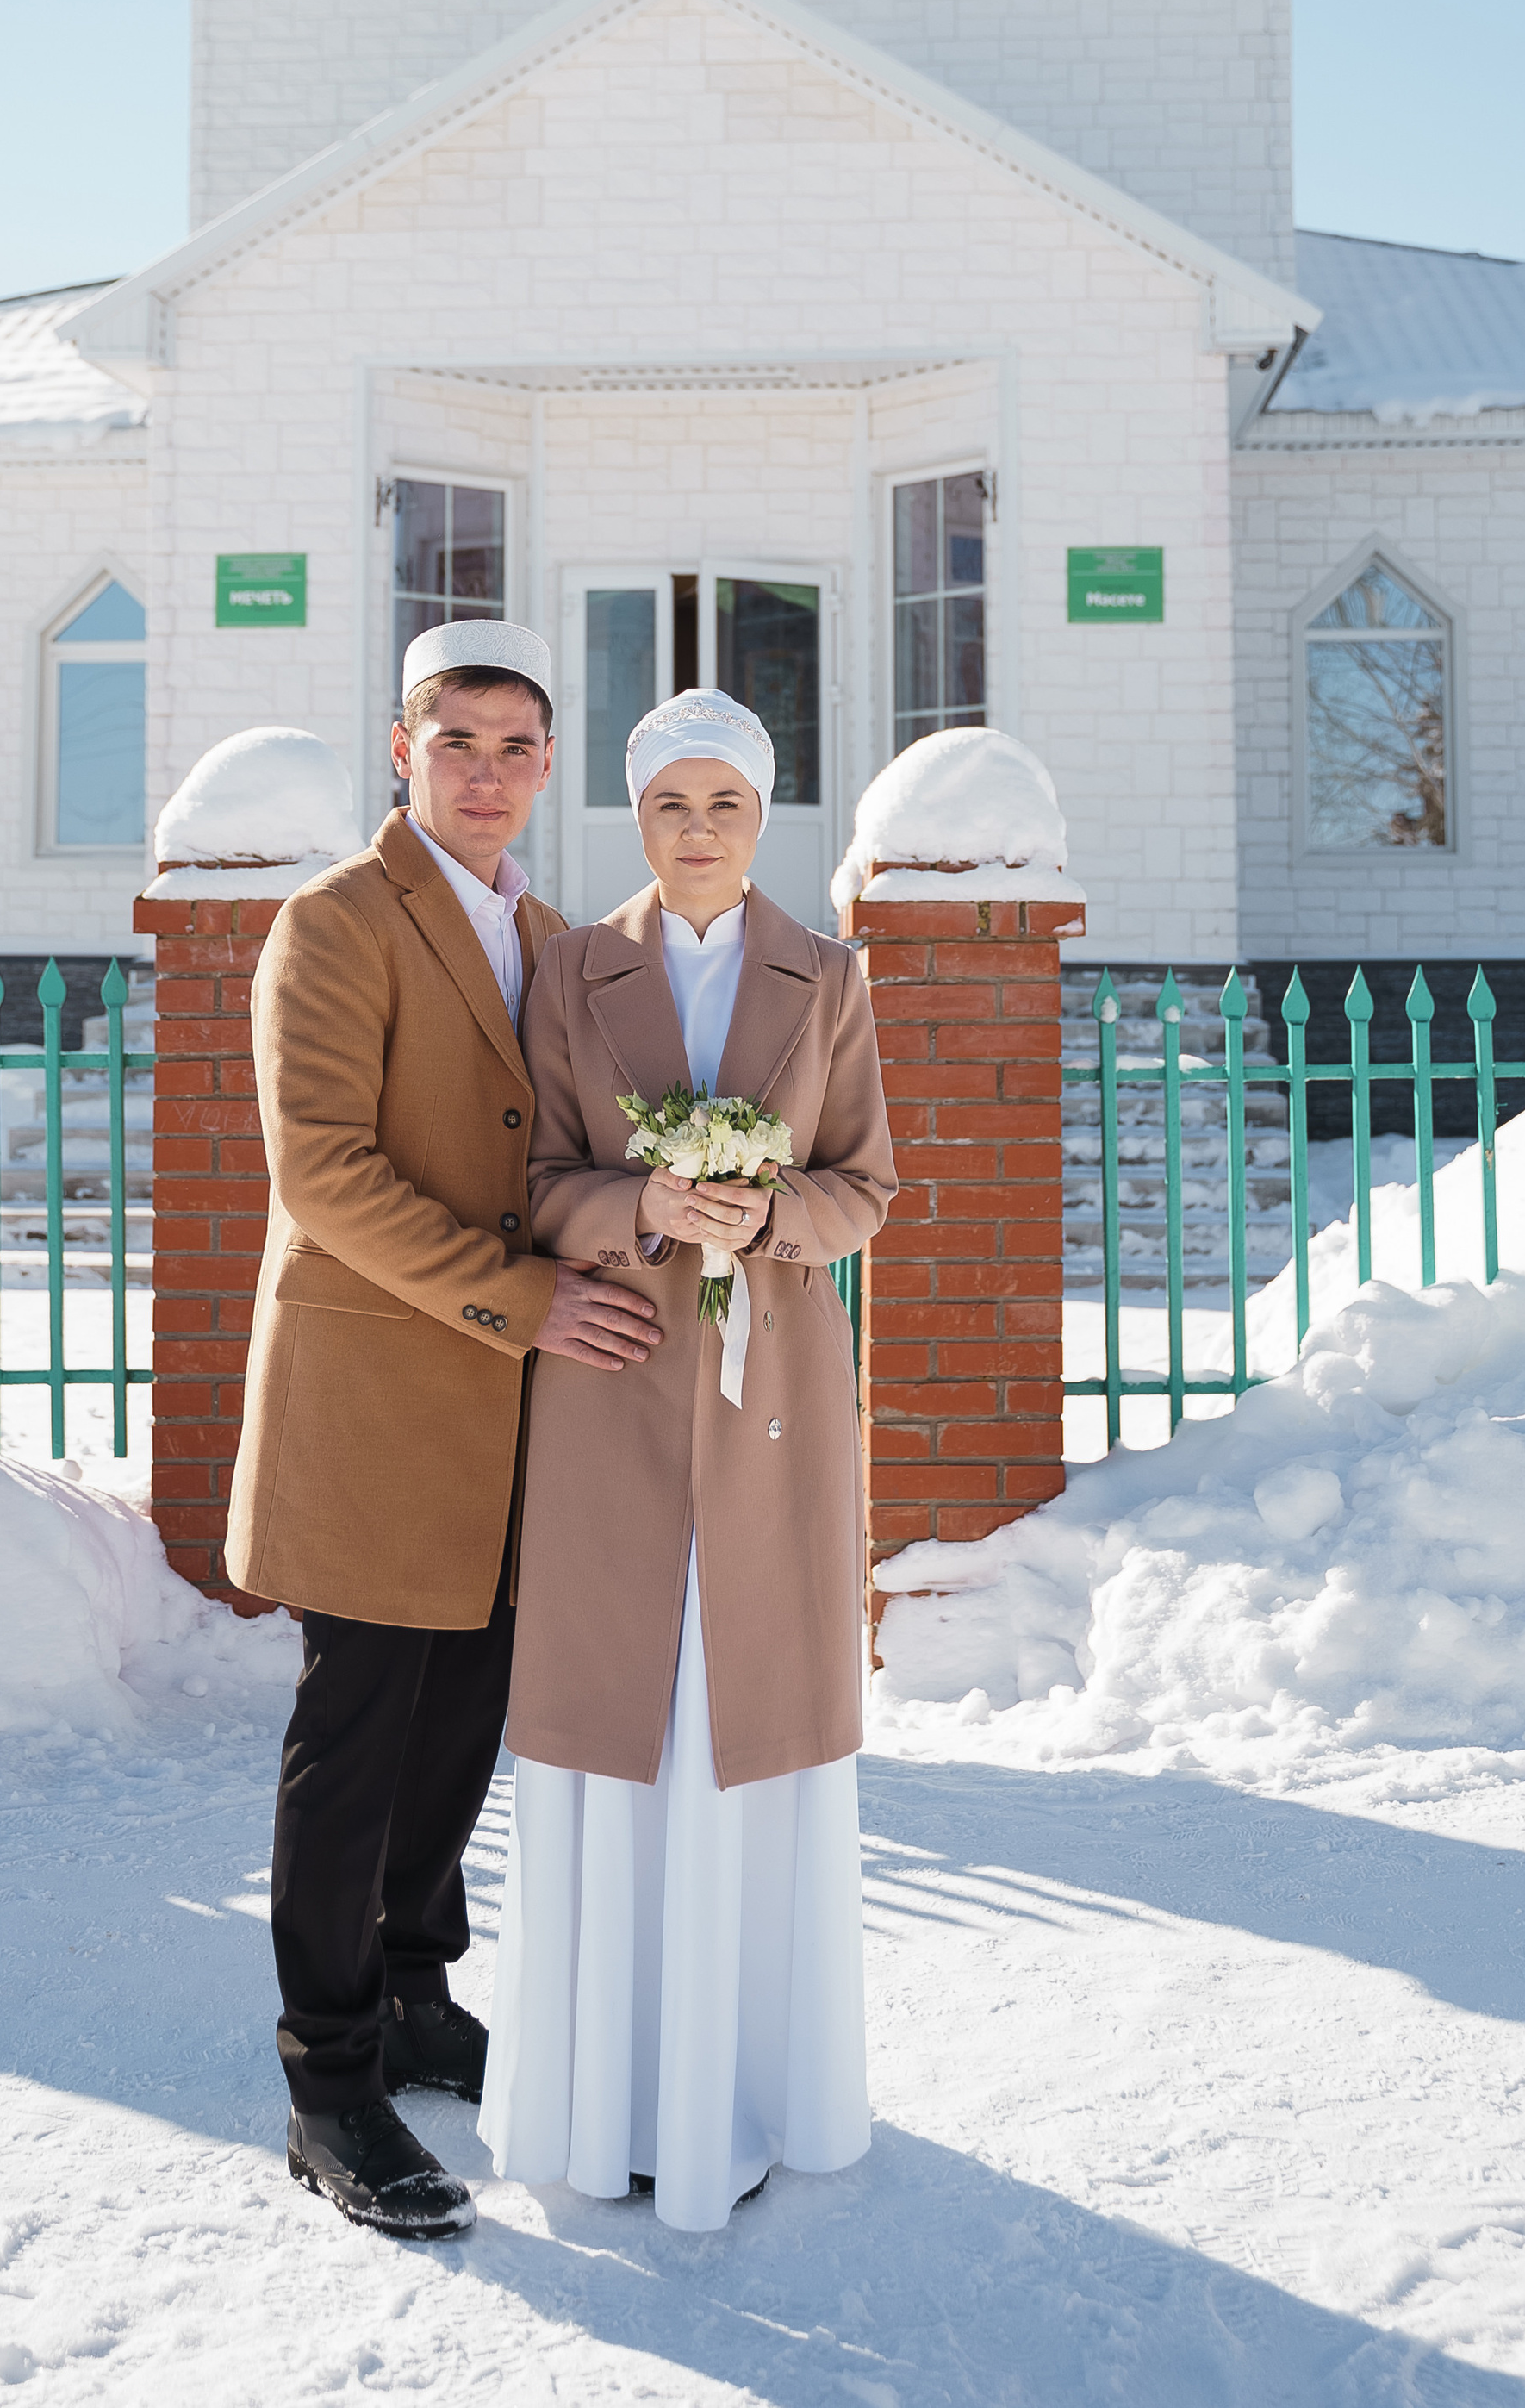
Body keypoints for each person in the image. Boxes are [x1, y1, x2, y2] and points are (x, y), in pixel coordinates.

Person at [227, 619, 661, 2243]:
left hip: (518, 1424)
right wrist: (524, 1298)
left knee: (458, 1728)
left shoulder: (550, 936)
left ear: (550, 769)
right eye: (454, 741)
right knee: (355, 1748)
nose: (486, 773)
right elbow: (323, 1177)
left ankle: (415, 1998)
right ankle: (329, 2083)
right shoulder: (333, 923)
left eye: (518, 747)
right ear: (399, 751)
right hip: (377, 1399)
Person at [480, 686, 896, 2230]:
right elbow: (532, 1177)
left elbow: (866, 1184)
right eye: (669, 807)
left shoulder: (830, 975)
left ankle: (756, 2089)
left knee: (745, 1711)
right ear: (634, 817)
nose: (698, 831)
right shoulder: (574, 968)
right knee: (622, 1721)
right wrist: (640, 1211)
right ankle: (606, 2098)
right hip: (616, 1382)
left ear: (763, 817)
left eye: (724, 805)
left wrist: (770, 1215)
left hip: (772, 1388)